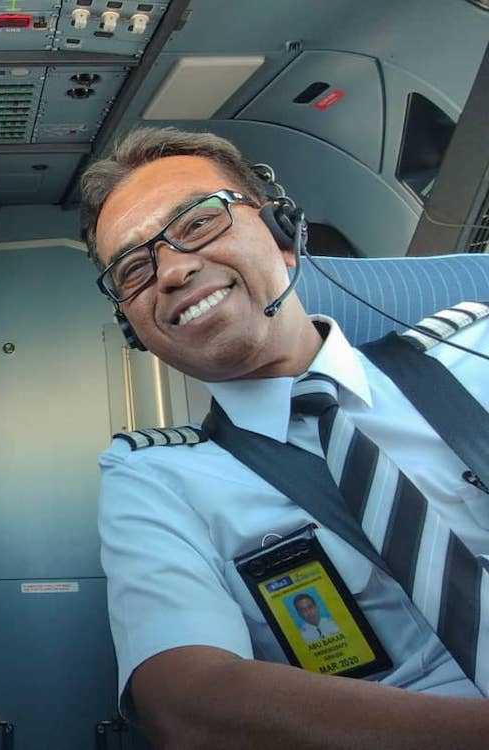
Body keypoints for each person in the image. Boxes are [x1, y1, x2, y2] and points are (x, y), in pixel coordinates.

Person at [79, 127, 489, 749]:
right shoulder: (153, 478)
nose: (172, 270)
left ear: (283, 233)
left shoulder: (472, 347)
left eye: (197, 224)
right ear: (136, 330)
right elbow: (188, 704)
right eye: (134, 268)